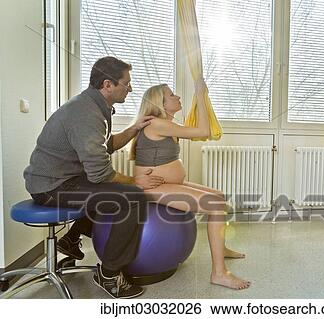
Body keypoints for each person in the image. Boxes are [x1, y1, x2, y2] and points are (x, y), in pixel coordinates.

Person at [23, 56, 164, 299]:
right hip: (51, 187)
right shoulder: (86, 113)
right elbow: (100, 173)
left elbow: (106, 145)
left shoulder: (93, 106)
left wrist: (134, 128)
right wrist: (135, 182)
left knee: (106, 192)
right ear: (107, 85)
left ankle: (71, 238)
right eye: (126, 84)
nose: (130, 89)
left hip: (64, 180)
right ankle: (109, 275)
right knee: (131, 197)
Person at [129, 79, 251, 290]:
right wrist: (201, 96)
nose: (177, 97)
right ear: (160, 103)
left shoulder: (163, 124)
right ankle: (219, 273)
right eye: (171, 95)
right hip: (153, 188)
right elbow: (203, 131)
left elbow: (198, 130)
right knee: (215, 205)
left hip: (165, 184)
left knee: (219, 196)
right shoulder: (157, 123)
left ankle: (221, 247)